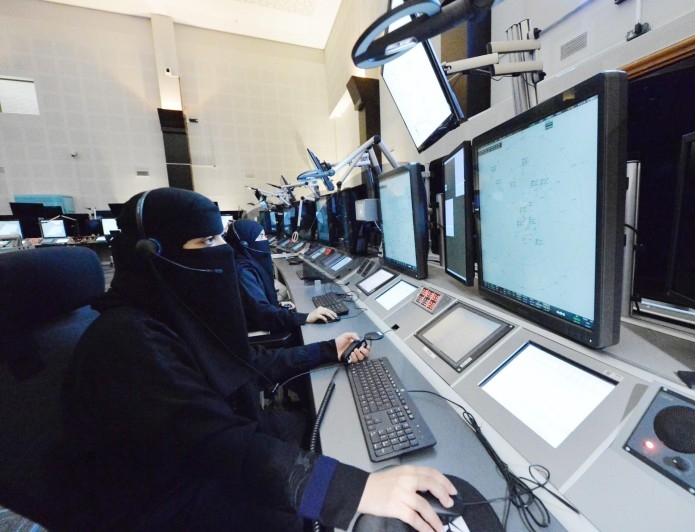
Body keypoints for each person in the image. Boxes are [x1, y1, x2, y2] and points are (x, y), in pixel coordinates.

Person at [56, 187, 457, 531]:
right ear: (153, 255)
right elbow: (223, 449)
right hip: (173, 507)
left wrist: (325, 350)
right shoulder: (128, 344)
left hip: (211, 468)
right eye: (205, 243)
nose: (224, 252)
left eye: (220, 239)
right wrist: (356, 490)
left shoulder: (169, 314)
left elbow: (243, 362)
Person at [225, 218, 338, 336]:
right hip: (262, 332)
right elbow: (261, 313)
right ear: (245, 244)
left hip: (260, 321)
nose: (266, 240)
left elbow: (253, 305)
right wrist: (305, 317)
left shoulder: (243, 262)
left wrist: (276, 306)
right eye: (261, 236)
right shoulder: (243, 271)